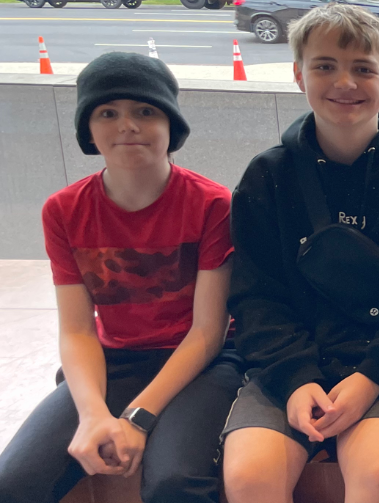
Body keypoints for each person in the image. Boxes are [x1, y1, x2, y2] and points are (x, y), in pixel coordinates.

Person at [220, 4, 379, 503]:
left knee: (378, 475)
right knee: (250, 479)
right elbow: (255, 297)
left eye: (362, 68)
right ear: (298, 75)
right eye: (325, 66)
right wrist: (295, 379)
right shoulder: (267, 178)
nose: (345, 82)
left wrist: (369, 378)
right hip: (285, 366)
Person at [0, 52, 242, 503]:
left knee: (175, 482)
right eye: (107, 113)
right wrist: (93, 414)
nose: (127, 125)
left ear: (172, 125)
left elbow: (208, 331)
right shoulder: (63, 211)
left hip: (203, 363)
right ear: (87, 130)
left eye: (145, 111)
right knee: (14, 483)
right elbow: (76, 329)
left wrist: (137, 418)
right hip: (116, 362)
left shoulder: (212, 204)